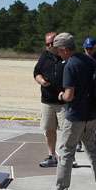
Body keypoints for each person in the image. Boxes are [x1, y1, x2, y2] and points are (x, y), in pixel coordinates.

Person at [43, 33, 96, 190]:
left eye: (59, 51)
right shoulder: (88, 60)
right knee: (93, 150)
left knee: (66, 151)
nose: (58, 54)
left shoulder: (70, 66)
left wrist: (60, 96)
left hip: (75, 115)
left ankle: (61, 189)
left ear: (65, 49)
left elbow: (69, 95)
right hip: (92, 113)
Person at [33, 32, 65, 167]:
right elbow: (36, 72)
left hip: (64, 101)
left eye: (51, 43)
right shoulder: (44, 56)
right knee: (49, 129)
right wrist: (41, 80)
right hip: (47, 100)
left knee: (67, 130)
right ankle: (52, 156)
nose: (49, 46)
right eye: (47, 44)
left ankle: (68, 157)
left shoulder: (65, 55)